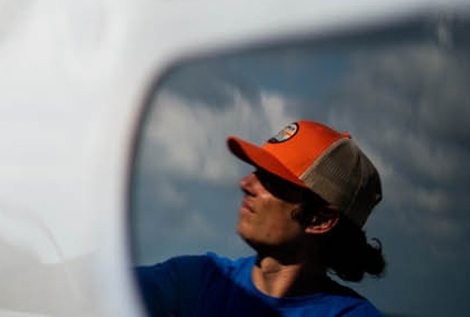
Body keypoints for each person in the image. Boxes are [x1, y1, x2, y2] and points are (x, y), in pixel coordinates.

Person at [135, 119, 387, 317]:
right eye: (256, 171)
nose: (245, 183)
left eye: (270, 179)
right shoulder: (193, 281)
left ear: (320, 219)